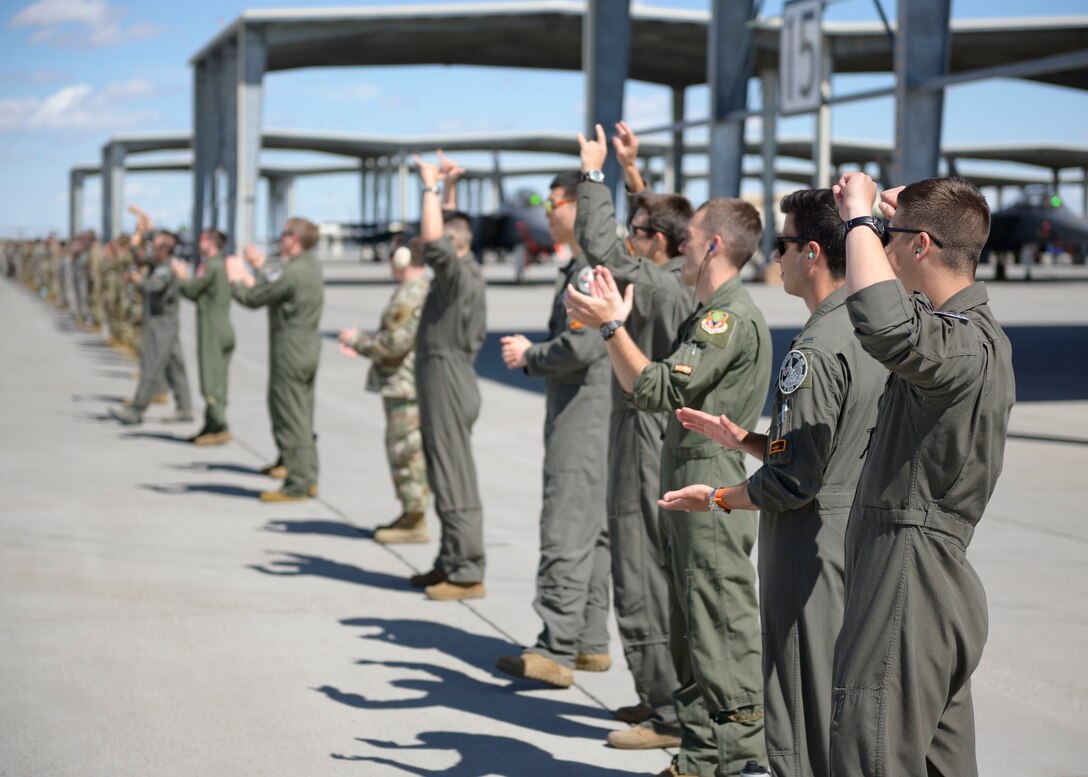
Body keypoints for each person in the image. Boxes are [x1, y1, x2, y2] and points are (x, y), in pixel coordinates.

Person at [660, 189, 887, 777]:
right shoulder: (874, 332)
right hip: (854, 538)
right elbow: (832, 449)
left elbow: (791, 483)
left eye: (783, 246)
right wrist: (746, 442)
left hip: (806, 546)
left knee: (800, 712)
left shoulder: (812, 348)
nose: (774, 258)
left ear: (812, 253)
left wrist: (716, 497)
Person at [567, 198, 772, 777]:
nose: (680, 243)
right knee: (691, 626)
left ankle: (735, 759)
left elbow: (656, 389)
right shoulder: (710, 311)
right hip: (690, 481)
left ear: (711, 246)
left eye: (690, 238)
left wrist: (611, 326)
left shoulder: (725, 318)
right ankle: (702, 755)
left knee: (718, 627)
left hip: (710, 488)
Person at [825, 173, 1014, 776]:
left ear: (922, 245)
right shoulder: (968, 335)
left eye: (889, 236)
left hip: (909, 578)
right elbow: (906, 317)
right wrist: (896, 215)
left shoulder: (958, 345)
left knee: (868, 752)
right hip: (927, 580)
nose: (879, 245)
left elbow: (884, 324)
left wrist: (856, 219)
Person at [573, 122, 692, 749]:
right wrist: (632, 172)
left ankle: (667, 710)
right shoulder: (678, 273)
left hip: (645, 431)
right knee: (649, 562)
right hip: (656, 428)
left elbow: (600, 247)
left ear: (658, 243)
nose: (629, 236)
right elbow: (658, 227)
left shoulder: (658, 283)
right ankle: (663, 697)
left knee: (639, 565)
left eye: (638, 231)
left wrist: (593, 176)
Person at [495, 170, 613, 690]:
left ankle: (555, 648)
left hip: (582, 414)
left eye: (554, 200)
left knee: (567, 522)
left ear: (577, 206)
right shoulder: (588, 265)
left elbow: (582, 346)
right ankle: (587, 640)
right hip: (594, 412)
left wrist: (529, 355)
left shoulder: (588, 270)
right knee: (591, 527)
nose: (547, 210)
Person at [409, 151, 488, 602]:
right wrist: (451, 187)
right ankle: (449, 559)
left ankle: (466, 570)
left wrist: (429, 186)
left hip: (447, 377)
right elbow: (453, 232)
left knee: (454, 475)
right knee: (443, 471)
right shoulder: (465, 267)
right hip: (450, 377)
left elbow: (441, 241)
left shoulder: (456, 276)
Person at [337, 241, 431, 543]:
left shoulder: (410, 293)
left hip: (403, 386)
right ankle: (410, 513)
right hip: (404, 384)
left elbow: (394, 344)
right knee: (404, 450)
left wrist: (358, 341)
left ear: (402, 259)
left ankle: (415, 518)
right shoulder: (417, 289)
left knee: (405, 452)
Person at [227, 217, 324, 503]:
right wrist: (258, 269)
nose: (280, 239)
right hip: (306, 348)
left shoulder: (293, 272)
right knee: (302, 414)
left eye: (284, 235)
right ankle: (308, 475)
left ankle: (297, 482)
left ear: (295, 238)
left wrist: (235, 278)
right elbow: (275, 290)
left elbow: (255, 298)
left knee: (289, 413)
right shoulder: (308, 267)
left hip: (289, 351)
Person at [108, 207, 193, 426]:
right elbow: (138, 254)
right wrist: (142, 229)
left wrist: (137, 280)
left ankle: (136, 410)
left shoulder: (165, 268)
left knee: (151, 365)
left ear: (164, 250)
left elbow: (153, 287)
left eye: (155, 247)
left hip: (161, 322)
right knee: (175, 366)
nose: (151, 250)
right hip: (166, 322)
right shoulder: (160, 261)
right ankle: (185, 407)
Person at [171, 228, 236, 446]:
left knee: (210, 382)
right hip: (223, 326)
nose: (198, 243)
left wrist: (181, 277)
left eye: (202, 239)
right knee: (219, 381)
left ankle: (220, 425)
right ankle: (210, 426)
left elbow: (193, 291)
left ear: (210, 242)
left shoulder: (211, 265)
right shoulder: (222, 264)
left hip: (212, 329)